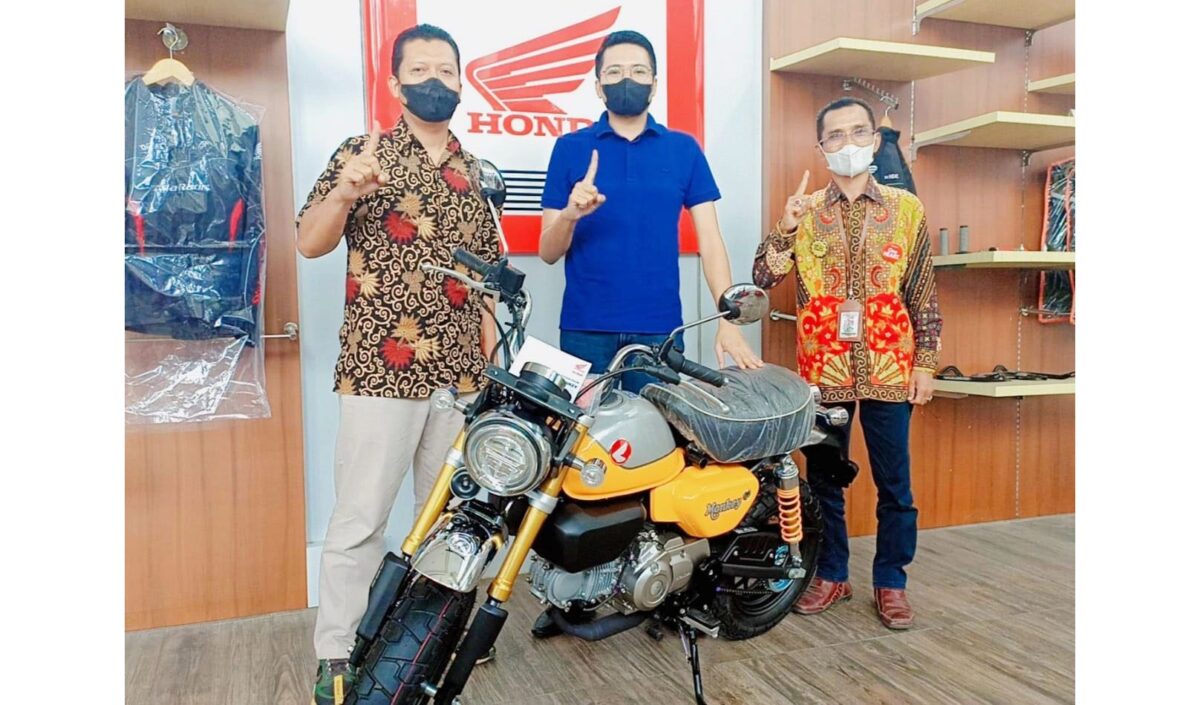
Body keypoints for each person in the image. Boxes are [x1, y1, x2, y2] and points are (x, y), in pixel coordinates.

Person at [296, 24, 500, 704]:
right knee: (361, 517)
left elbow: (487, 278)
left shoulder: (476, 172)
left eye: (447, 69)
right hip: (380, 370)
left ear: (461, 81)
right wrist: (344, 193)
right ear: (395, 83)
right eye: (420, 70)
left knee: (453, 521)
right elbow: (309, 242)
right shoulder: (361, 154)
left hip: (460, 375)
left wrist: (491, 356)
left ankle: (433, 635)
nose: (435, 80)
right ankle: (336, 650)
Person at [753, 97, 943, 630]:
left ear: (876, 141)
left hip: (889, 365)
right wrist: (785, 227)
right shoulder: (806, 209)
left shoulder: (906, 209)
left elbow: (922, 291)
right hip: (824, 369)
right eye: (835, 135)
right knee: (824, 480)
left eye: (859, 132)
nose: (848, 143)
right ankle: (832, 573)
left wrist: (926, 362)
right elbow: (763, 278)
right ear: (822, 147)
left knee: (894, 483)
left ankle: (891, 581)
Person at [538, 30, 763, 395]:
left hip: (660, 330)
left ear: (654, 85)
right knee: (584, 430)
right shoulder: (569, 148)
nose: (626, 79)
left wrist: (729, 319)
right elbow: (548, 252)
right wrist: (570, 215)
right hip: (585, 330)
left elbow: (710, 241)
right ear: (598, 87)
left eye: (638, 71)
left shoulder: (683, 149)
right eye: (614, 72)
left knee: (659, 429)